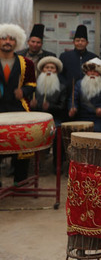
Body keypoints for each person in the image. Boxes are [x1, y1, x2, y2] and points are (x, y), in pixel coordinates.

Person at [0, 24, 36, 185]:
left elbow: (32, 84)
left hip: (19, 111)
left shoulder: (26, 63)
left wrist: (24, 91)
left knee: (23, 147)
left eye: (11, 39)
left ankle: (20, 183)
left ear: (17, 42)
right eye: (4, 38)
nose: (7, 42)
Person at [30, 56, 67, 171]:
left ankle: (57, 164)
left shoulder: (61, 87)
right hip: (37, 119)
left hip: (54, 119)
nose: (49, 70)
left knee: (57, 136)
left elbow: (62, 107)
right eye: (47, 67)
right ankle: (36, 164)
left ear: (56, 70)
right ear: (42, 70)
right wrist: (33, 105)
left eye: (52, 68)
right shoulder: (34, 87)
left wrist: (50, 106)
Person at [68, 58, 101, 132]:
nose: (92, 73)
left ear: (100, 73)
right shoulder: (79, 84)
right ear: (86, 72)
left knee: (96, 130)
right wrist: (72, 108)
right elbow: (73, 99)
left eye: (95, 71)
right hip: (81, 117)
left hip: (100, 119)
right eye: (90, 71)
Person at [59, 24, 98, 99]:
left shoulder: (94, 58)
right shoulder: (64, 56)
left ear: (87, 43)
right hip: (68, 92)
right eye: (77, 40)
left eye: (82, 41)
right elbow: (60, 74)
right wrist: (66, 85)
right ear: (73, 42)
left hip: (88, 93)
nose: (80, 43)